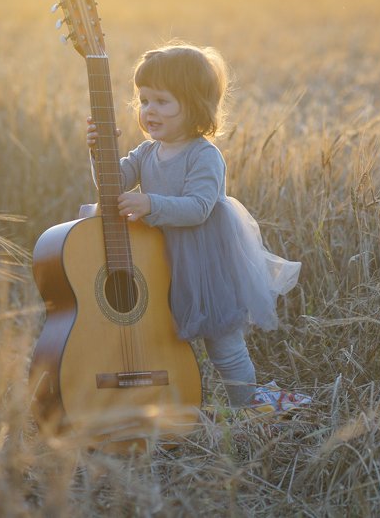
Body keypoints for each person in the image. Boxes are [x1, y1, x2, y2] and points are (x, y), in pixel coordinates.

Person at [86, 41, 310, 414]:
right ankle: (169, 399)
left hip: (204, 262)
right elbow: (112, 184)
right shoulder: (146, 152)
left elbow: (199, 208)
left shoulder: (203, 155)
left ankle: (247, 406)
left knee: (222, 342)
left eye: (162, 101)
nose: (148, 111)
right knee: (161, 336)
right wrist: (100, 152)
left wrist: (150, 204)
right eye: (143, 101)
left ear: (193, 106)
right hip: (159, 262)